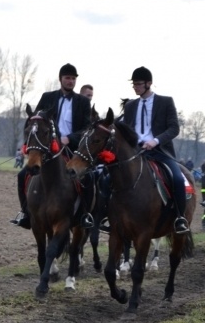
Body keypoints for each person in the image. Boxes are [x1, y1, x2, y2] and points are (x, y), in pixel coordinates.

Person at [101, 67, 189, 234]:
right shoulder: (131, 105)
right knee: (106, 179)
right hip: (135, 152)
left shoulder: (165, 102)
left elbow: (174, 128)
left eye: (138, 84)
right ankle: (107, 216)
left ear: (149, 84)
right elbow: (125, 128)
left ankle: (179, 217)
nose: (135, 87)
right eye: (133, 84)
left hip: (159, 151)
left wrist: (155, 141)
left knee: (177, 178)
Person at [10, 63, 92, 228]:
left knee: (89, 178)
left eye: (73, 79)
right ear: (60, 79)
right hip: (47, 147)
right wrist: (29, 143)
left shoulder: (82, 102)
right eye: (67, 78)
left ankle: (84, 215)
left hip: (71, 149)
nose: (70, 81)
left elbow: (86, 128)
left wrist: (69, 138)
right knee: (22, 175)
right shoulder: (47, 97)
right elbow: (35, 120)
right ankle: (26, 213)